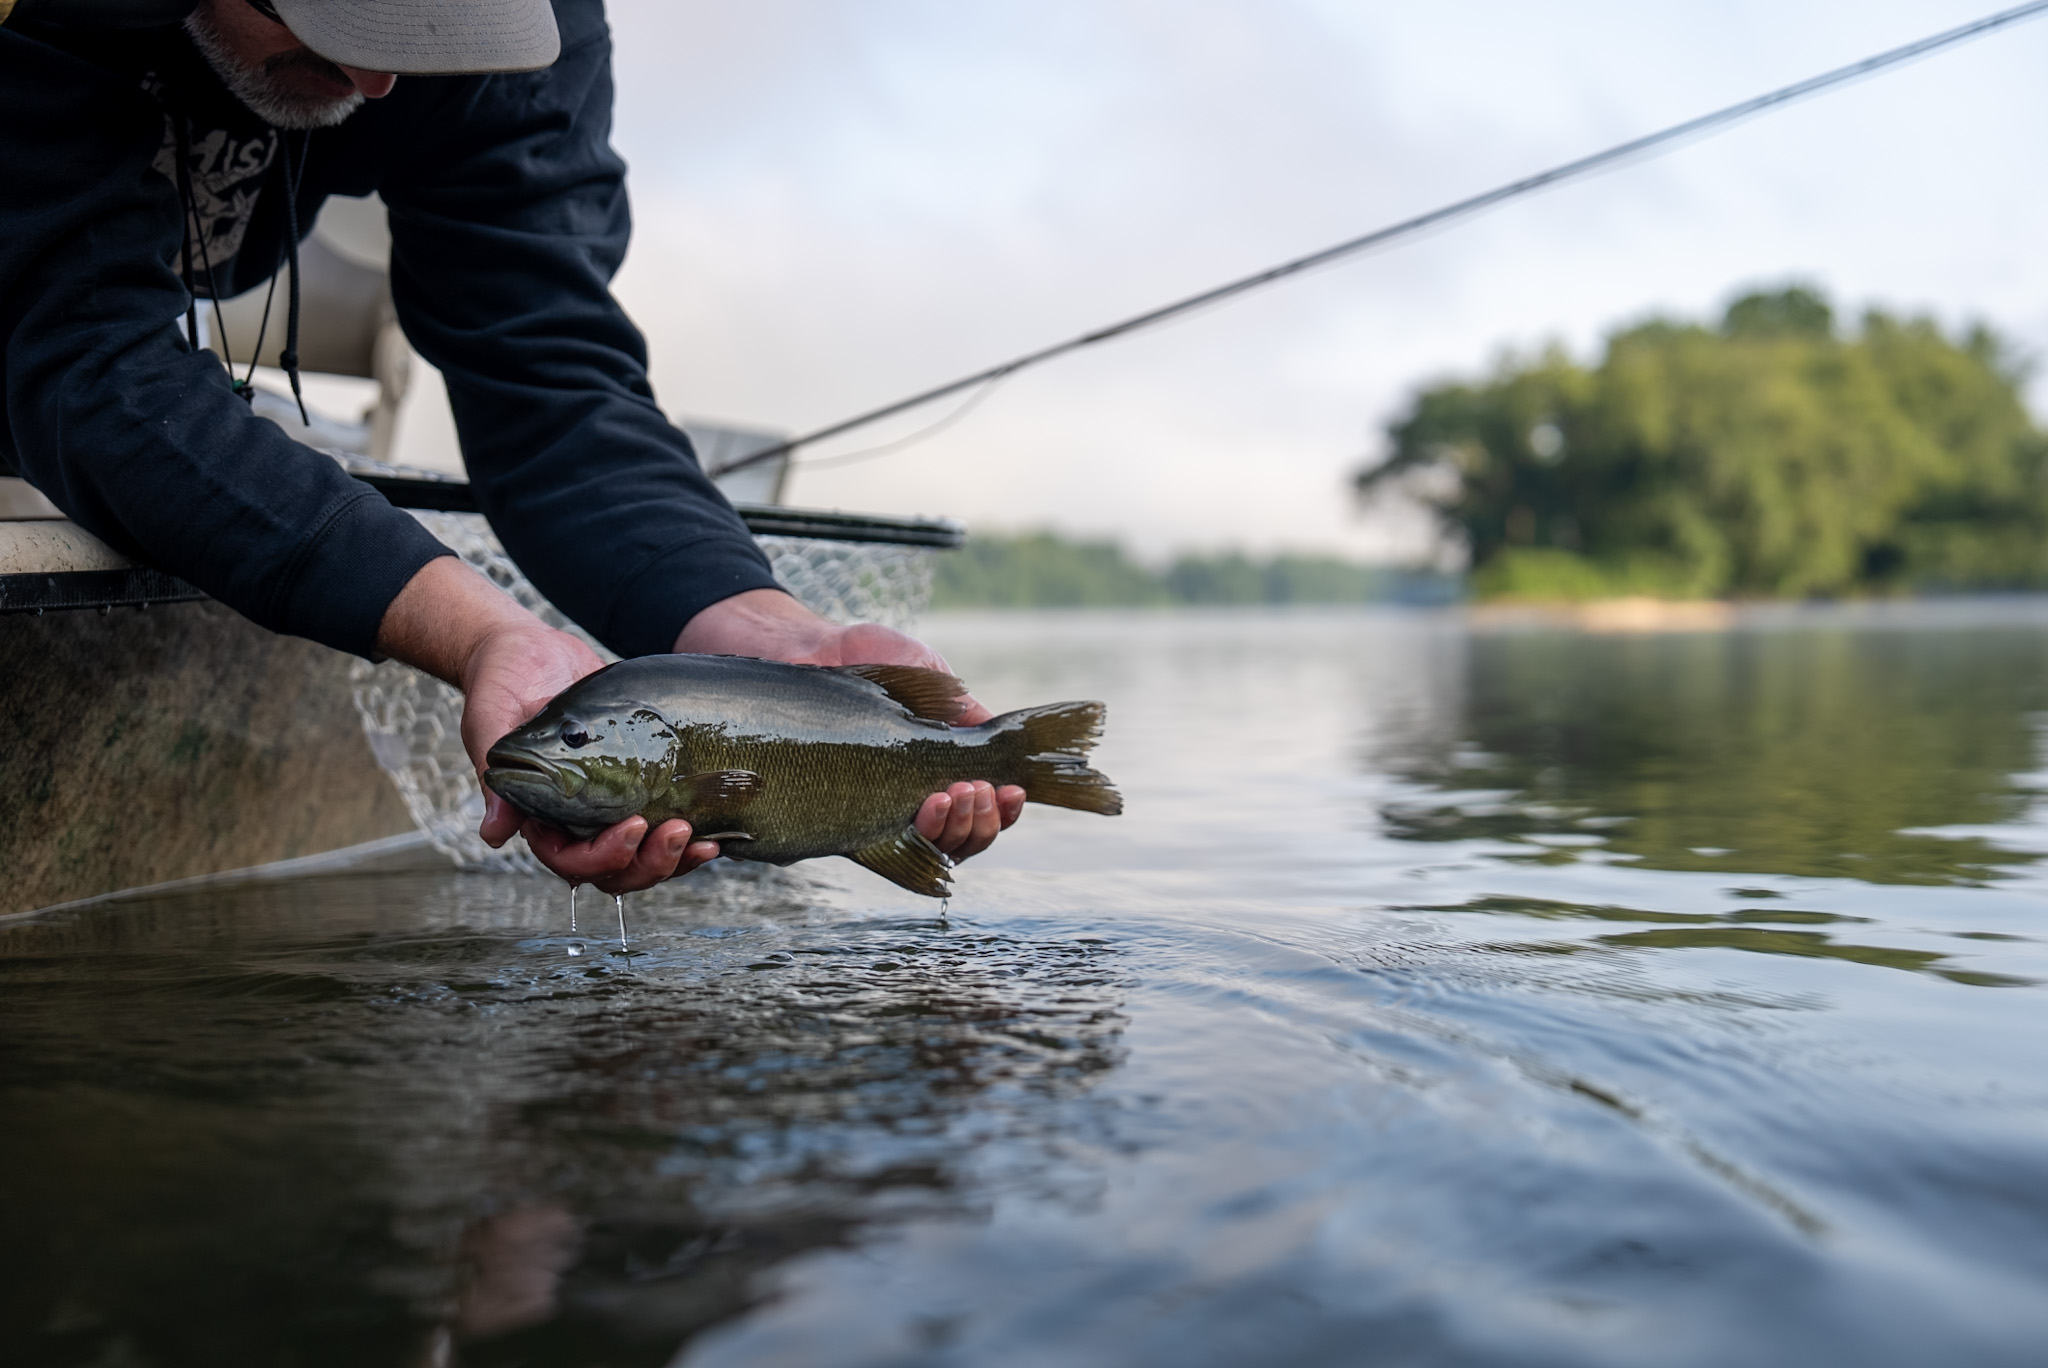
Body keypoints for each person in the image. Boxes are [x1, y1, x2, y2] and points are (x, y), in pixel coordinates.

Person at [0, 0, 1024, 893]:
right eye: (343, 18)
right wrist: (468, 623)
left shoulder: (533, 36)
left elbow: (550, 385)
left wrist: (772, 640)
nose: (381, 79)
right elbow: (81, 352)